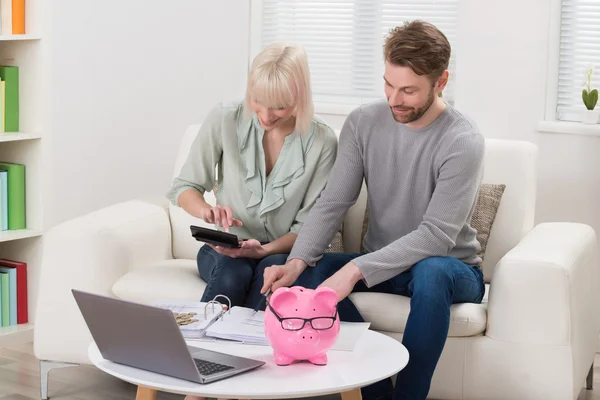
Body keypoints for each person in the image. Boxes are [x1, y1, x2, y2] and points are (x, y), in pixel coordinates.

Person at [261, 21, 486, 400]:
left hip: (452, 267)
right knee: (308, 275)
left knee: (431, 272)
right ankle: (376, 392)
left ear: (441, 81)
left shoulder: (463, 140)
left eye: (409, 90)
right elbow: (334, 201)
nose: (394, 99)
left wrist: (355, 271)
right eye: (388, 84)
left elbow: (435, 236)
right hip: (383, 263)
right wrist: (296, 262)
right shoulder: (363, 122)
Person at [166, 40, 337, 357]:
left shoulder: (322, 141)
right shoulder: (224, 118)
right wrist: (207, 211)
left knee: (271, 275)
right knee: (234, 271)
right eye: (258, 102)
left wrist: (267, 248)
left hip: (278, 252)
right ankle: (198, 370)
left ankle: (249, 377)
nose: (267, 115)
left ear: (300, 98)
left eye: (280, 106)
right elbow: (185, 187)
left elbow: (310, 226)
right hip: (224, 249)